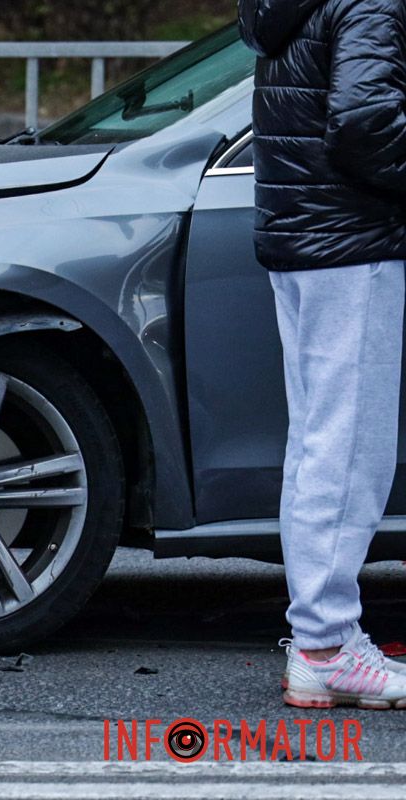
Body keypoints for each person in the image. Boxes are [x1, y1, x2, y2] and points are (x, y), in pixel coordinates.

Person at [239, 0, 406, 709]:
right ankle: (328, 647)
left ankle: (322, 638)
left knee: (317, 443)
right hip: (353, 240)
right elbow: (366, 122)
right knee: (346, 452)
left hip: (304, 235)